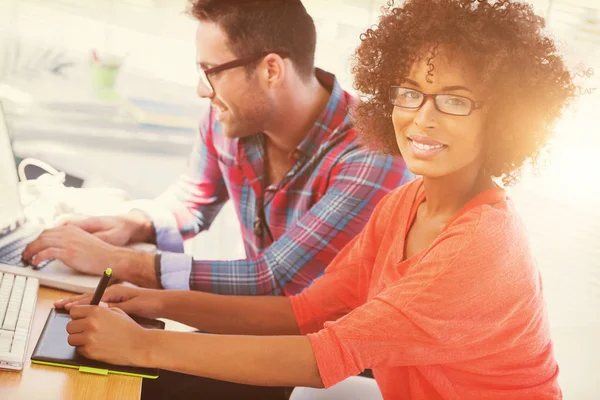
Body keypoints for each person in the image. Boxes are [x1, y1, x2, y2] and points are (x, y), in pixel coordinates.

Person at [55, 0, 575, 399]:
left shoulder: (479, 244)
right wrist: (151, 302)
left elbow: (326, 356)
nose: (423, 117)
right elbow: (304, 312)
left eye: (456, 101)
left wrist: (144, 342)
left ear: (503, 117)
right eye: (410, 92)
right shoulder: (406, 204)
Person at [22, 0, 410, 294]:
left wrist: (116, 263)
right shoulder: (233, 115)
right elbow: (193, 201)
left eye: (210, 72)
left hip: (330, 363)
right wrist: (131, 224)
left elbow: (274, 278)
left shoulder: (372, 153)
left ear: (271, 70)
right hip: (252, 331)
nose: (201, 90)